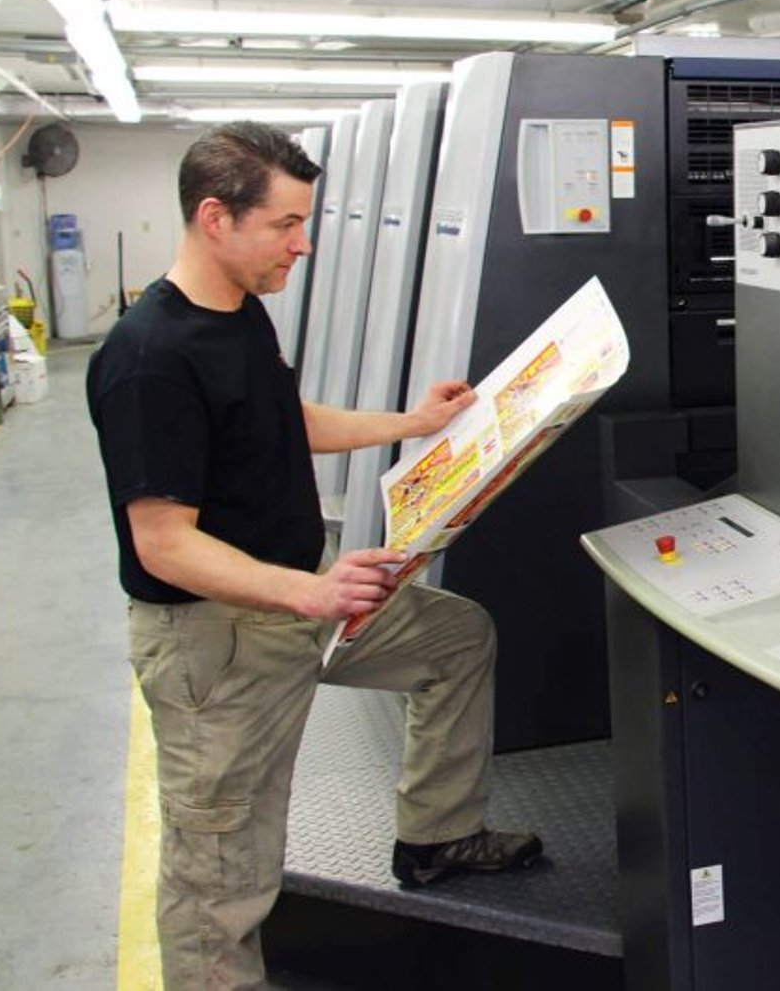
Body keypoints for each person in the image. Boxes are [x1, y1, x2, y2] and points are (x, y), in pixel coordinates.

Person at [87, 122, 541, 990]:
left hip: (299, 604)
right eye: (285, 225)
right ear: (215, 217)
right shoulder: (149, 360)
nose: (303, 244)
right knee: (223, 870)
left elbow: (280, 425)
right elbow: (164, 543)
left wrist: (413, 425)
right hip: (218, 641)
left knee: (456, 639)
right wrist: (309, 592)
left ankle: (437, 836)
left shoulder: (239, 317)